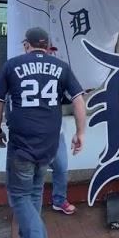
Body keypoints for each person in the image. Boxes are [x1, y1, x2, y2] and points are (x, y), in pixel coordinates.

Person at [0, 28, 86, 238]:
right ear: (47, 45)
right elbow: (78, 99)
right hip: (49, 144)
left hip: (22, 144)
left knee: (19, 196)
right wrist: (80, 132)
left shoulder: (12, 65)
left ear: (26, 44)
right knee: (33, 191)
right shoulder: (60, 66)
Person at [45, 46, 77, 215]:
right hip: (34, 135)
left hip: (57, 133)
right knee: (35, 172)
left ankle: (59, 200)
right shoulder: (23, 71)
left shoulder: (59, 72)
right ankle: (30, 206)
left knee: (61, 168)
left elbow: (68, 98)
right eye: (48, 51)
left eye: (52, 52)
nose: (51, 55)